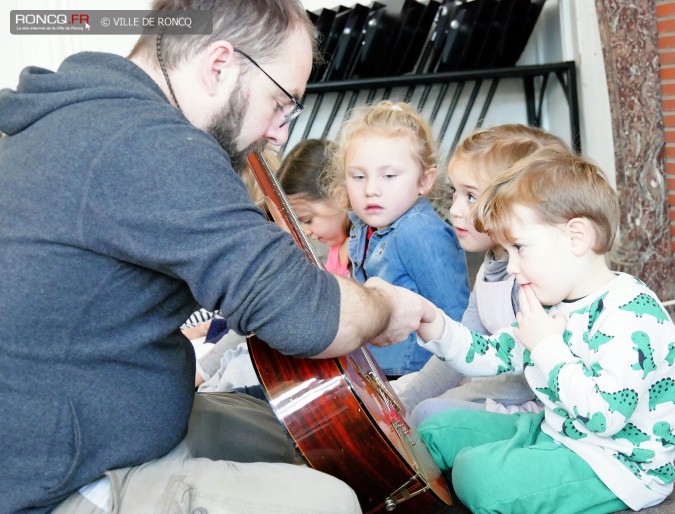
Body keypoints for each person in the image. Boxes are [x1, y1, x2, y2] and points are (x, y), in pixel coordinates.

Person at [0, 1, 437, 513]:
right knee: (329, 500)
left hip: (101, 422)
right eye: (280, 103)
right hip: (67, 476)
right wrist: (384, 306)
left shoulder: (90, 114)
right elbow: (311, 318)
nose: (279, 132)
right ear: (219, 65)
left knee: (310, 437)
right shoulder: (149, 143)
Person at [416, 145, 675, 513]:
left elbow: (604, 416)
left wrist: (548, 348)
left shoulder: (633, 315)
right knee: (435, 431)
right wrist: (438, 328)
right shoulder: (553, 302)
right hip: (556, 429)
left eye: (520, 248)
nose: (511, 268)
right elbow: (492, 353)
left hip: (616, 462)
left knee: (478, 475)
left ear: (576, 237)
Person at [396, 124, 573, 426]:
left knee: (430, 414)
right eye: (455, 192)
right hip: (494, 384)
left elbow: (525, 378)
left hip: (532, 406)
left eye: (471, 196)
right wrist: (403, 403)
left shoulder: (530, 279)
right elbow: (462, 350)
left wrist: (436, 402)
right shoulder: (491, 266)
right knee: (401, 397)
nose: (454, 209)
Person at [324, 100, 470, 378]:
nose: (371, 189)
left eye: (389, 176)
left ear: (424, 181)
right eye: (358, 176)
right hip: (373, 365)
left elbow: (457, 317)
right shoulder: (361, 226)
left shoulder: (419, 232)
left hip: (409, 372)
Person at [278, 138, 351, 277]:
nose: (306, 232)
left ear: (341, 196)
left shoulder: (361, 249)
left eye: (307, 220)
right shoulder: (336, 249)